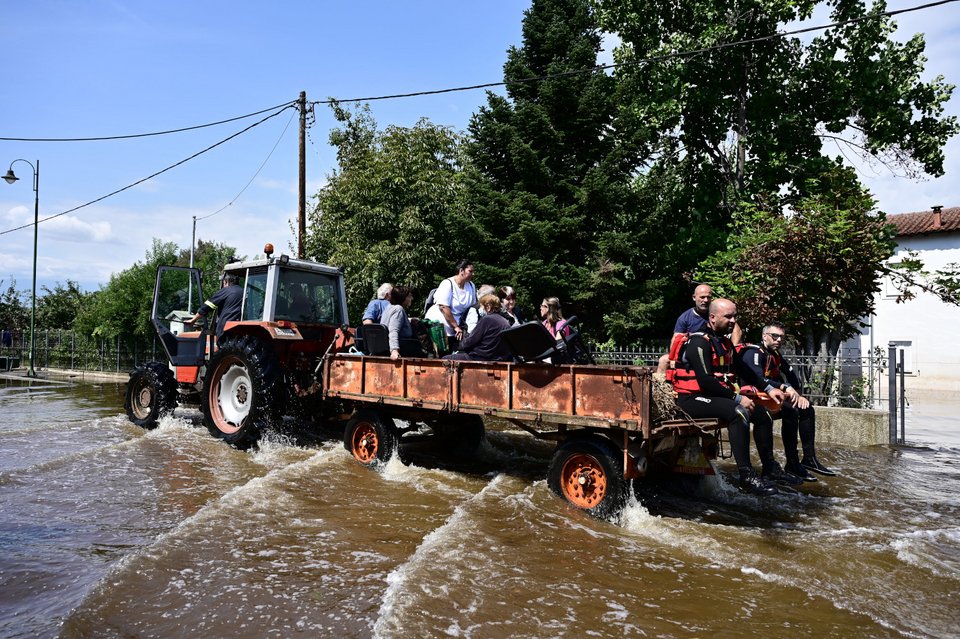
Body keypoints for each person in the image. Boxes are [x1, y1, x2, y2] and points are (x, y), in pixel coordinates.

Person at [669, 298, 778, 495]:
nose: (733, 320)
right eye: (728, 316)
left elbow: (745, 371)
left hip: (713, 397)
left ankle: (769, 468)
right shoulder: (698, 342)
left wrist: (769, 389)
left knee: (763, 414)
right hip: (691, 400)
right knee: (739, 412)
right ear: (712, 317)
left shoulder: (724, 342)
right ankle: (747, 475)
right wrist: (737, 398)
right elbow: (705, 381)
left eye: (734, 316)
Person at [736, 322, 836, 480]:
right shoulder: (754, 353)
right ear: (764, 336)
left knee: (805, 408)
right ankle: (770, 468)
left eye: (781, 337)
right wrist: (784, 386)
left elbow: (790, 373)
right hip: (753, 398)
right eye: (774, 336)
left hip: (772, 397)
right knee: (788, 411)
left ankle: (804, 460)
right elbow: (757, 379)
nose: (778, 340)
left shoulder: (775, 354)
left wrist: (797, 393)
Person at [659, 284, 742, 373]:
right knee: (663, 360)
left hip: (717, 350)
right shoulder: (685, 317)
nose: (705, 300)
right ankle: (662, 385)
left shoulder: (720, 313)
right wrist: (674, 358)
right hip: (693, 352)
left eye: (708, 297)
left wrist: (732, 351)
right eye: (702, 297)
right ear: (694, 297)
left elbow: (737, 331)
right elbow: (676, 338)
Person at [424, 259, 477, 350]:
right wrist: (455, 326)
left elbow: (473, 307)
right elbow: (443, 307)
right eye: (470, 271)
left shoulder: (471, 285)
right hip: (440, 328)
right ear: (461, 271)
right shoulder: (447, 284)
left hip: (459, 328)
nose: (473, 274)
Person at [443, 294, 512, 362]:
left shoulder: (487, 320)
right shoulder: (505, 321)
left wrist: (460, 345)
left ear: (488, 306)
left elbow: (472, 340)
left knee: (444, 359)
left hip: (479, 357)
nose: (480, 309)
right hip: (496, 358)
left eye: (481, 306)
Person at [189, 272, 243, 339]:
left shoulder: (226, 290)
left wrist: (193, 320)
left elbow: (208, 306)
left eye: (223, 284)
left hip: (226, 329)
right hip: (241, 328)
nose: (223, 286)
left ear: (226, 282)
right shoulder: (244, 291)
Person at [380, 285, 426, 360]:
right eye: (410, 296)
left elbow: (394, 322)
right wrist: (394, 350)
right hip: (403, 347)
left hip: (387, 345)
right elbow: (393, 330)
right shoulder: (398, 309)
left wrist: (409, 320)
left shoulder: (389, 308)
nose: (412, 298)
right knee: (427, 353)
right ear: (403, 298)